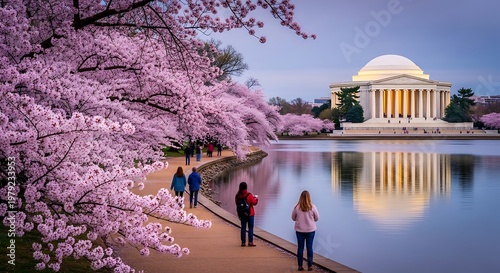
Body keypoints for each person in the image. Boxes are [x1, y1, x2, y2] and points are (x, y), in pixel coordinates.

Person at [291, 190, 319, 271]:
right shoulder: (312, 207)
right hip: (310, 230)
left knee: (300, 248)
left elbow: (293, 218)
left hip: (300, 230)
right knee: (309, 248)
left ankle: (300, 266)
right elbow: (317, 218)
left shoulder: (297, 207)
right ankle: (310, 266)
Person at [235, 182, 258, 247]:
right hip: (250, 213)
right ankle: (250, 242)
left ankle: (243, 242)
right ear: (246, 187)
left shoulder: (237, 195)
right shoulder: (249, 195)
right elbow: (254, 203)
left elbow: (237, 204)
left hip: (242, 214)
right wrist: (256, 198)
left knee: (243, 227)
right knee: (250, 228)